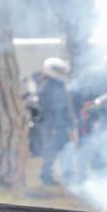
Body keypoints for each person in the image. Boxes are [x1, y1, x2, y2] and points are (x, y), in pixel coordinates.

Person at [36, 57, 74, 185]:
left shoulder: (57, 84)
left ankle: (64, 174)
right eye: (60, 70)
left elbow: (64, 106)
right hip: (51, 123)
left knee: (61, 148)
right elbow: (52, 107)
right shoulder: (47, 85)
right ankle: (46, 176)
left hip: (58, 123)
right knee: (50, 150)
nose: (62, 73)